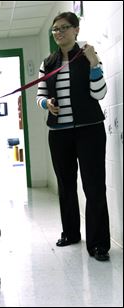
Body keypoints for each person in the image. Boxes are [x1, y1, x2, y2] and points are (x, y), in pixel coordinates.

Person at [36, 12, 110, 261]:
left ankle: (99, 244)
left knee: (94, 186)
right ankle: (70, 233)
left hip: (90, 129)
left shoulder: (88, 55)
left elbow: (99, 94)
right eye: (55, 29)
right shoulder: (48, 62)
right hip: (59, 134)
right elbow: (40, 95)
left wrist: (94, 65)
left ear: (76, 30)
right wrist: (47, 104)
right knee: (66, 186)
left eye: (64, 28)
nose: (58, 33)